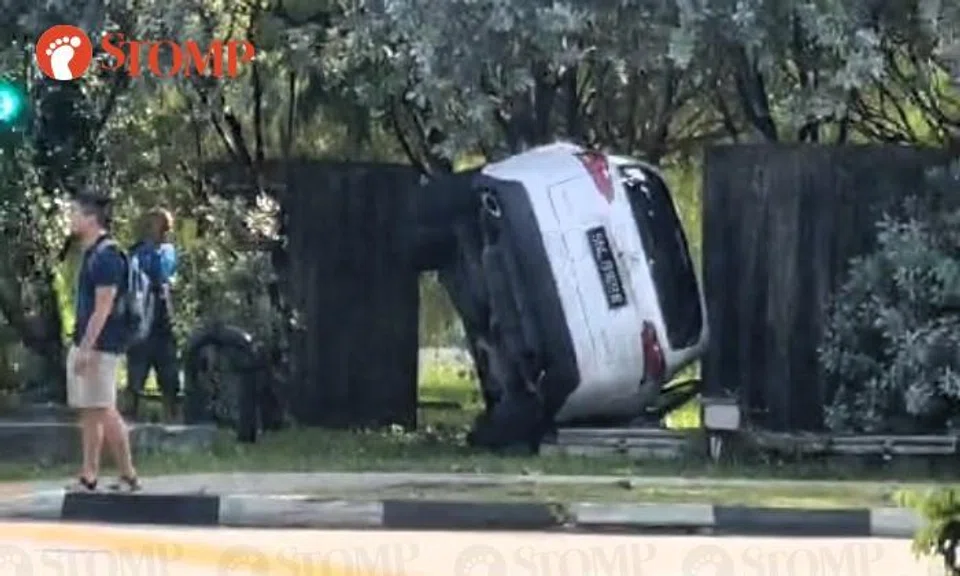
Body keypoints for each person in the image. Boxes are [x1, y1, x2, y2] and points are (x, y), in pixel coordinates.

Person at [67, 192, 139, 491]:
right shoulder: (93, 253)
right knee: (92, 410)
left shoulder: (107, 255)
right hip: (89, 341)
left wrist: (86, 348)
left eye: (75, 213)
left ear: (91, 218)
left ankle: (127, 474)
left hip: (100, 345)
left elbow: (104, 306)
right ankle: (90, 474)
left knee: (104, 408)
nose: (71, 219)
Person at [126, 208, 180, 421]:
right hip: (143, 315)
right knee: (138, 368)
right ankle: (131, 415)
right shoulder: (138, 253)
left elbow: (167, 273)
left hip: (163, 315)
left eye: (167, 226)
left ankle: (172, 414)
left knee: (169, 370)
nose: (164, 230)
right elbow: (138, 277)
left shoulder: (169, 251)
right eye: (161, 225)